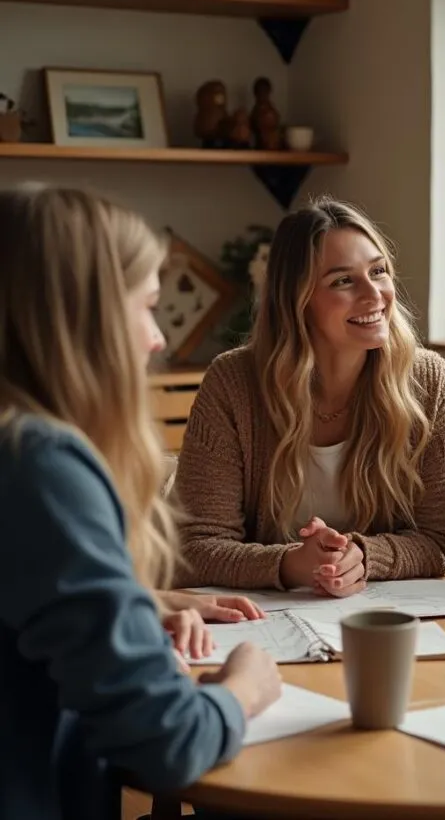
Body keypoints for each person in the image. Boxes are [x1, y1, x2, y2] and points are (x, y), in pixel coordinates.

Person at [0, 184, 282, 820]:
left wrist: (139, 605)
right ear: (83, 317)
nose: (157, 340)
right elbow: (166, 742)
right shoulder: (41, 465)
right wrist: (244, 689)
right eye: (148, 306)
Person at [173, 197, 445, 594]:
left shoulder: (430, 384)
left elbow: (441, 542)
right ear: (297, 301)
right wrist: (292, 564)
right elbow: (198, 547)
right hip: (265, 619)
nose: (374, 294)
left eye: (378, 271)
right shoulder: (233, 383)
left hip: (383, 617)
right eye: (343, 280)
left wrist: (363, 557)